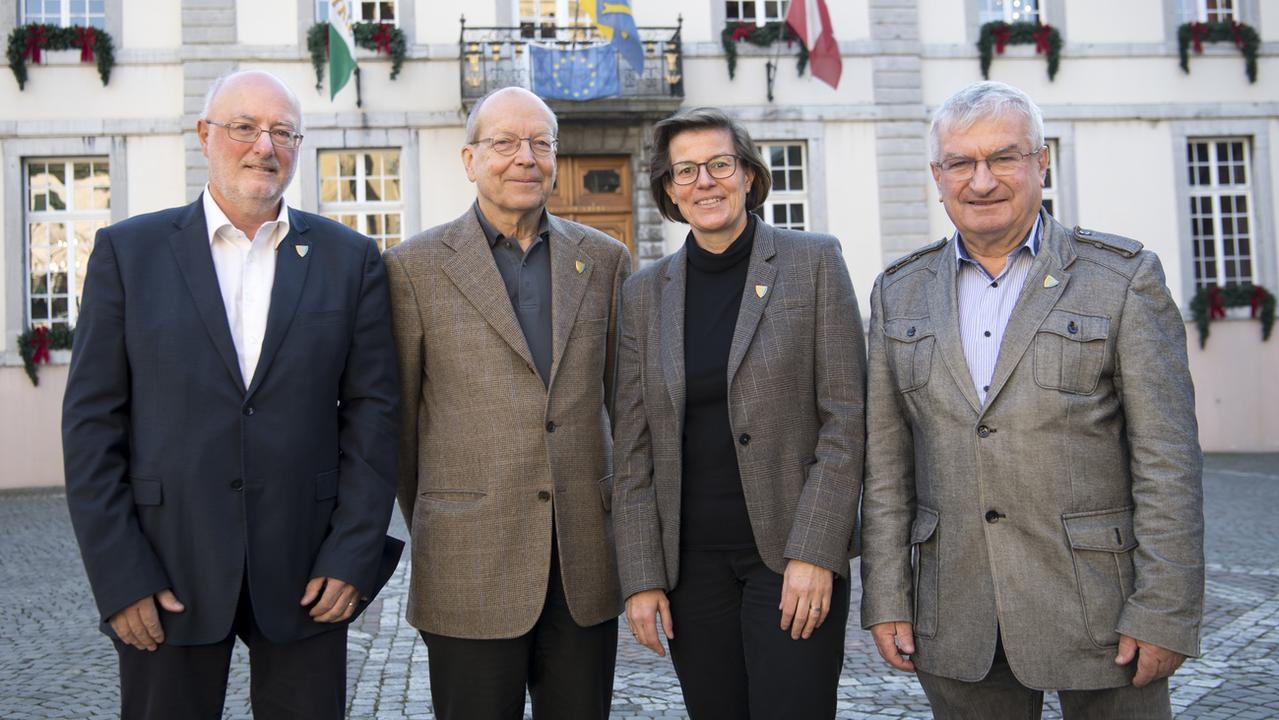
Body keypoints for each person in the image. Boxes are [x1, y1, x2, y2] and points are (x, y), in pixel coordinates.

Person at [61, 70, 402, 719]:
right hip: (166, 567)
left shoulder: (349, 259)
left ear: (298, 146)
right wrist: (120, 574)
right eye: (244, 127)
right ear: (205, 136)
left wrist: (355, 553)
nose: (263, 147)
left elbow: (374, 418)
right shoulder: (127, 254)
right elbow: (91, 427)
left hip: (309, 570)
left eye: (281, 132)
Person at [859, 80, 1204, 719]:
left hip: (1103, 608)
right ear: (937, 176)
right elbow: (886, 469)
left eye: (1003, 157)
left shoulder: (1122, 279)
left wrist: (1166, 608)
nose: (981, 180)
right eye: (960, 162)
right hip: (957, 609)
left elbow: (1168, 461)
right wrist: (885, 596)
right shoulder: (897, 294)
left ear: (1041, 162)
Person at [384, 86, 630, 720]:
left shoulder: (604, 261)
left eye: (540, 143)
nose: (525, 158)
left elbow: (624, 408)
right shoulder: (412, 268)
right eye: (504, 143)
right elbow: (402, 427)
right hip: (467, 560)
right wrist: (447, 513)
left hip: (583, 562)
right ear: (469, 160)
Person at [612, 107, 866, 719]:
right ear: (669, 190)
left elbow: (847, 419)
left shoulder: (814, 263)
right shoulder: (645, 294)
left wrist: (817, 551)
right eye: (687, 170)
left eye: (720, 164)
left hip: (790, 559)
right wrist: (642, 577)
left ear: (749, 175)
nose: (705, 181)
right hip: (692, 569)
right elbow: (633, 447)